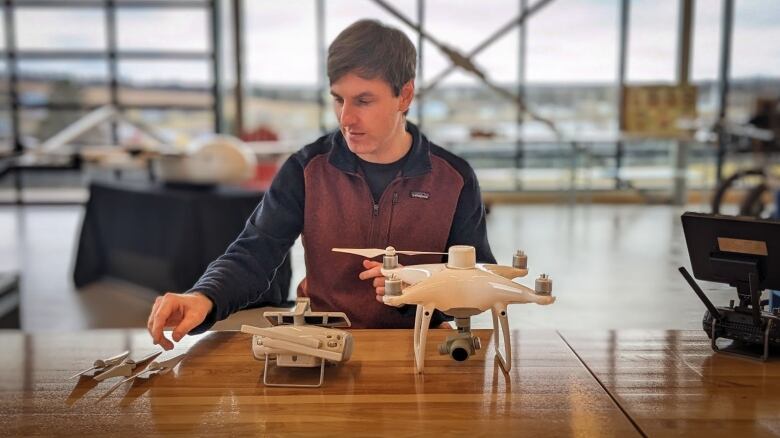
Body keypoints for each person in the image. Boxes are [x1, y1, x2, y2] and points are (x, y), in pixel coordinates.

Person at [147, 19, 494, 350]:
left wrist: (424, 288)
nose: (346, 118)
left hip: (420, 343)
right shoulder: (305, 169)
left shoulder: (455, 178)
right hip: (324, 345)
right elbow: (254, 252)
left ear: (404, 96)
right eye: (338, 99)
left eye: (363, 100)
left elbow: (481, 283)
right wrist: (203, 296)